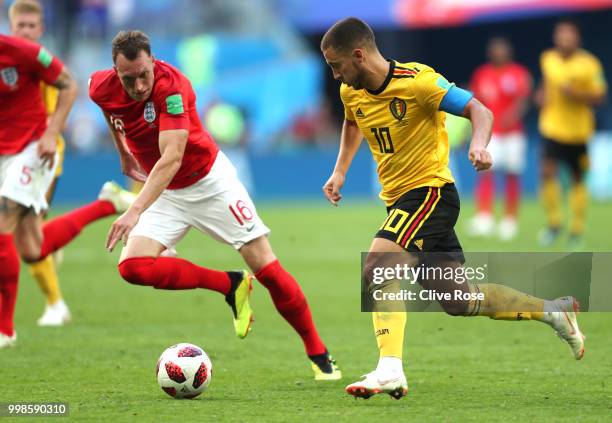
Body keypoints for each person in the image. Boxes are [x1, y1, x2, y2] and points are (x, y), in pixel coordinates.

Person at [320, 17, 585, 399]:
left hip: (431, 194)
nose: (336, 76)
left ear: (358, 55)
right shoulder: (352, 92)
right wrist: (339, 171)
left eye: (337, 66)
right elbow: (352, 124)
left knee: (377, 267)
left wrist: (479, 144)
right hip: (402, 202)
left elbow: (481, 110)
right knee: (459, 300)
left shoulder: (419, 82)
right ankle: (553, 311)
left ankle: (390, 369)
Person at [88, 30, 341, 380]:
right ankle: (231, 285)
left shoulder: (172, 87)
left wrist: (134, 210)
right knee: (133, 267)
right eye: (128, 78)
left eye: (144, 73)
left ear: (153, 61)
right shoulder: (100, 86)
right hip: (165, 192)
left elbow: (171, 157)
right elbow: (109, 110)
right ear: (115, 72)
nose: (139, 85)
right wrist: (123, 154)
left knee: (268, 269)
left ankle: (318, 352)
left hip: (209, 183)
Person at [0, 32, 134, 348]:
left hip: (35, 147)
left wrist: (51, 133)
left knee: (2, 221)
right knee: (32, 249)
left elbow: (68, 84)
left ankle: (5, 330)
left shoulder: (22, 51)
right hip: (4, 154)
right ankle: (107, 204)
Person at [536, 20, 607, 249]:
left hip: (578, 131)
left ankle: (576, 229)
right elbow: (547, 86)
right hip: (551, 126)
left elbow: (600, 97)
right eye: (560, 35)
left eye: (569, 35)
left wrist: (576, 93)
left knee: (577, 179)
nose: (564, 39)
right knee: (547, 172)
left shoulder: (589, 64)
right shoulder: (548, 58)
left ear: (577, 38)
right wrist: (540, 95)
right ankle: (554, 223)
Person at [468, 37, 532, 241]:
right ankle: (484, 217)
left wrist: (512, 116)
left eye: (501, 49)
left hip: (513, 132)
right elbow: (474, 104)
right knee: (485, 171)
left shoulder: (518, 73)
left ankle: (509, 220)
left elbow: (524, 100)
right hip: (491, 133)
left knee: (512, 174)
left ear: (508, 52)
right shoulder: (482, 74)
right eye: (495, 50)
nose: (498, 53)